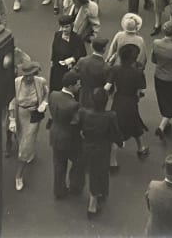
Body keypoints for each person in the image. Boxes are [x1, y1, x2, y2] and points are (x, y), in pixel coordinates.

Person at [81, 87, 124, 218]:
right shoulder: (110, 116)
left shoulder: (85, 113)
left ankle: (101, 192)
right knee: (99, 172)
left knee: (95, 172)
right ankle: (92, 206)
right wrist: (120, 142)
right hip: (102, 148)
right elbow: (115, 133)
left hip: (88, 146)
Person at [8, 60, 48, 191]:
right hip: (20, 113)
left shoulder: (40, 82)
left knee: (26, 144)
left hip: (33, 115)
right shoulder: (16, 82)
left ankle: (18, 176)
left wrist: (44, 103)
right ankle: (28, 153)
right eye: (26, 75)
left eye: (31, 75)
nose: (28, 78)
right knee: (21, 139)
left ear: (35, 73)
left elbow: (47, 93)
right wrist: (12, 119)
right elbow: (12, 101)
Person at [108, 43, 149, 165]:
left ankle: (113, 162)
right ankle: (141, 149)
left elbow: (108, 86)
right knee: (135, 125)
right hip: (131, 102)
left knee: (116, 130)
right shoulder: (138, 72)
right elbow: (141, 91)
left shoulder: (115, 69)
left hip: (118, 100)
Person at [48, 70, 85, 200]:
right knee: (79, 161)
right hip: (69, 139)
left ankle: (59, 190)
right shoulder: (74, 105)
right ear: (71, 86)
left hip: (55, 134)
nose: (80, 86)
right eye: (78, 84)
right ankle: (75, 186)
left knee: (58, 164)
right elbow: (76, 123)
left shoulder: (53, 95)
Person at [151, 20, 172, 142]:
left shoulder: (156, 43)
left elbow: (153, 60)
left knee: (162, 99)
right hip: (171, 79)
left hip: (158, 76)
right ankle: (162, 126)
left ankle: (165, 121)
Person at [49, 14, 87, 92]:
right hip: (57, 68)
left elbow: (82, 53)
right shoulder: (57, 35)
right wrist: (52, 61)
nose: (64, 29)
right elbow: (54, 48)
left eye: (66, 27)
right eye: (62, 27)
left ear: (71, 26)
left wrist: (72, 59)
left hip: (70, 70)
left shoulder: (77, 38)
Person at [74, 37, 111, 109]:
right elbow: (108, 87)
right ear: (104, 49)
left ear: (92, 47)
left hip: (83, 96)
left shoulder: (82, 61)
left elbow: (73, 74)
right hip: (97, 100)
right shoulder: (106, 67)